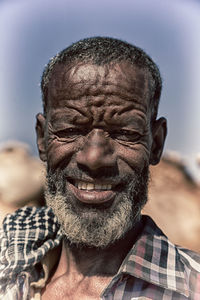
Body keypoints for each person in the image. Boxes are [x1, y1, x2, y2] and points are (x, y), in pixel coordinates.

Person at [0, 37, 199, 300]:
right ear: (42, 140)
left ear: (156, 144)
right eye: (70, 129)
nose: (93, 159)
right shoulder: (14, 245)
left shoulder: (189, 287)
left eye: (125, 132)